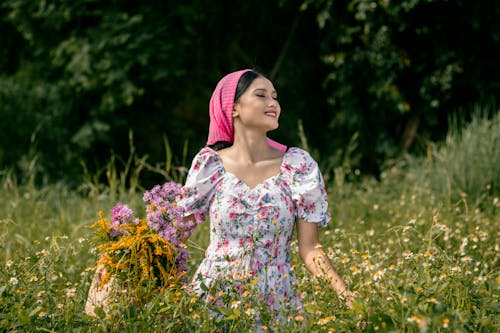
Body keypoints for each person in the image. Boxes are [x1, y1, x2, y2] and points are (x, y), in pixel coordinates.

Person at [176, 69, 355, 323]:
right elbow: (176, 236)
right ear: (233, 107)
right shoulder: (209, 165)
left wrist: (345, 295)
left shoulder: (298, 165)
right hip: (214, 301)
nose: (273, 103)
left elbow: (310, 249)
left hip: (276, 302)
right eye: (261, 95)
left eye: (275, 97)